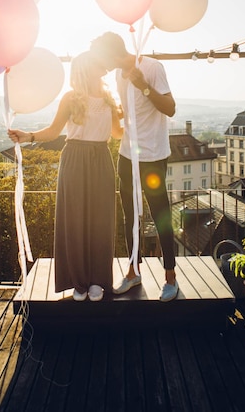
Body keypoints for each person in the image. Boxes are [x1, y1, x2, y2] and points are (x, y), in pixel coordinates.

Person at [8, 51, 123, 302]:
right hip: (75, 158)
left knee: (101, 220)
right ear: (87, 68)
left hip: (101, 159)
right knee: (75, 220)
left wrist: (140, 120)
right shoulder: (71, 98)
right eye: (98, 61)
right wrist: (27, 136)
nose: (104, 64)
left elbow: (117, 133)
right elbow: (53, 131)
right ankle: (79, 281)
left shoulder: (108, 98)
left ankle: (98, 279)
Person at [90, 32, 179, 302]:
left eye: (101, 59)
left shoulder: (152, 67)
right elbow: (129, 114)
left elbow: (171, 108)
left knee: (161, 214)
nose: (101, 66)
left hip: (153, 156)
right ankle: (133, 271)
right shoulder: (118, 75)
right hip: (128, 154)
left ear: (112, 54)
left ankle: (170, 278)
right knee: (130, 216)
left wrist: (145, 87)